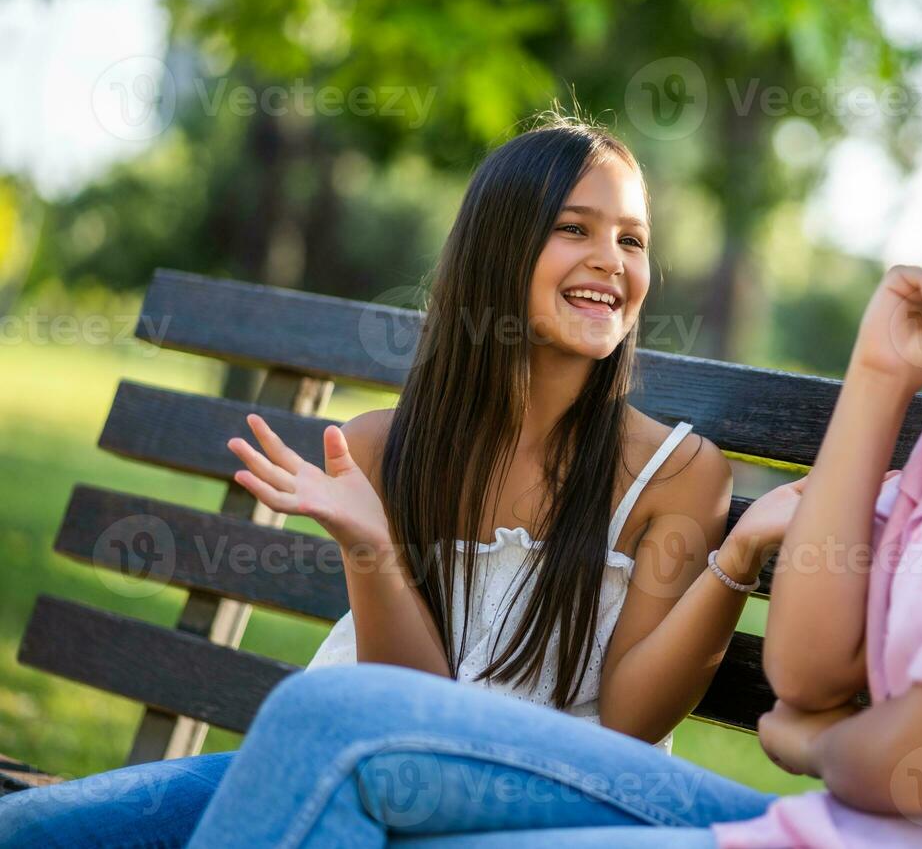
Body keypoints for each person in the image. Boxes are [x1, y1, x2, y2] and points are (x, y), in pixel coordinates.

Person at [0, 118, 800, 848]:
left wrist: (740, 557)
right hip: (343, 758)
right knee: (34, 828)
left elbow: (627, 728)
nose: (611, 260)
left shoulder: (674, 474)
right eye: (574, 229)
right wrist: (369, 545)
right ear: (498, 249)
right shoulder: (384, 447)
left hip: (530, 805)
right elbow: (402, 699)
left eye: (633, 239)